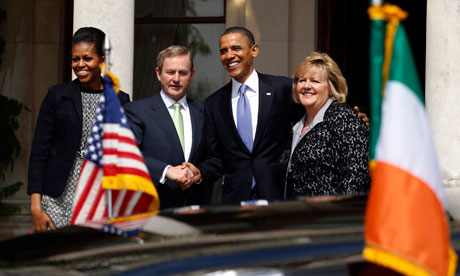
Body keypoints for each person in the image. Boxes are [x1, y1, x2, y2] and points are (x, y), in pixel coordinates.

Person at [184, 27, 368, 205]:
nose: (229, 55)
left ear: (254, 50)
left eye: (236, 48)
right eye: (223, 51)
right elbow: (215, 158)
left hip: (279, 198)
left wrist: (353, 120)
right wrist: (200, 172)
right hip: (235, 200)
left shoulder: (283, 89)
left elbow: (316, 117)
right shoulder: (213, 103)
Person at [28, 27, 130, 231]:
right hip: (56, 199)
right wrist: (35, 207)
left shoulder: (120, 100)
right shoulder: (57, 95)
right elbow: (39, 152)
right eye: (75, 59)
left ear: (101, 60)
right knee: (57, 257)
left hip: (100, 196)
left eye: (87, 58)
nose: (80, 65)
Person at [279, 52, 370, 199]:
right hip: (295, 216)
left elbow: (356, 176)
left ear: (331, 86)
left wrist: (338, 215)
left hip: (329, 218)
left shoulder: (344, 117)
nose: (306, 86)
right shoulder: (296, 124)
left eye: (315, 81)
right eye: (302, 80)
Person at [124, 45, 205, 209]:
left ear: (192, 75)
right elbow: (127, 156)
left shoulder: (203, 112)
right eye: (170, 72)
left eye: (183, 73)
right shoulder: (136, 111)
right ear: (158, 74)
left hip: (195, 212)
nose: (176, 79)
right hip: (152, 211)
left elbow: (215, 159)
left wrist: (198, 173)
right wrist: (166, 170)